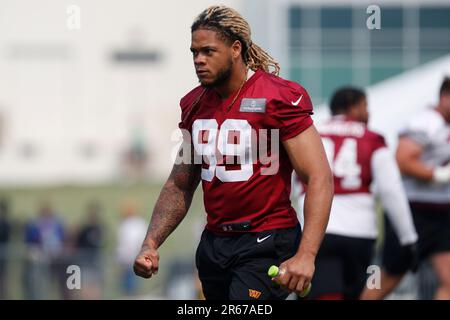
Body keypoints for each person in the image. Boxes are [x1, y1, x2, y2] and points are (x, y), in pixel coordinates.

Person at [133, 5, 333, 300]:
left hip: (266, 240)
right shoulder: (194, 104)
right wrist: (150, 242)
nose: (199, 60)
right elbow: (180, 183)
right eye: (194, 52)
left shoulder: (276, 97)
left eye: (208, 51)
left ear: (235, 48)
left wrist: (307, 254)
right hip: (215, 244)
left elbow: (319, 177)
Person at [296, 87, 418, 300]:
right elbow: (391, 191)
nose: (368, 113)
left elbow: (292, 180)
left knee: (319, 293)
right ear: (353, 107)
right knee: (355, 293)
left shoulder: (310, 132)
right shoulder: (372, 138)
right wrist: (409, 238)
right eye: (365, 106)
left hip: (316, 227)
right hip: (360, 231)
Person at [389, 77, 450, 300]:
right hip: (414, 212)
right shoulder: (426, 122)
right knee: (388, 278)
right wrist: (438, 174)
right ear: (444, 97)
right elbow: (403, 159)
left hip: (441, 213)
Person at [117, 200, 147, 296]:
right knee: (126, 283)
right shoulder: (125, 224)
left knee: (134, 281)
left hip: (135, 257)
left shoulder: (138, 224)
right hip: (126, 259)